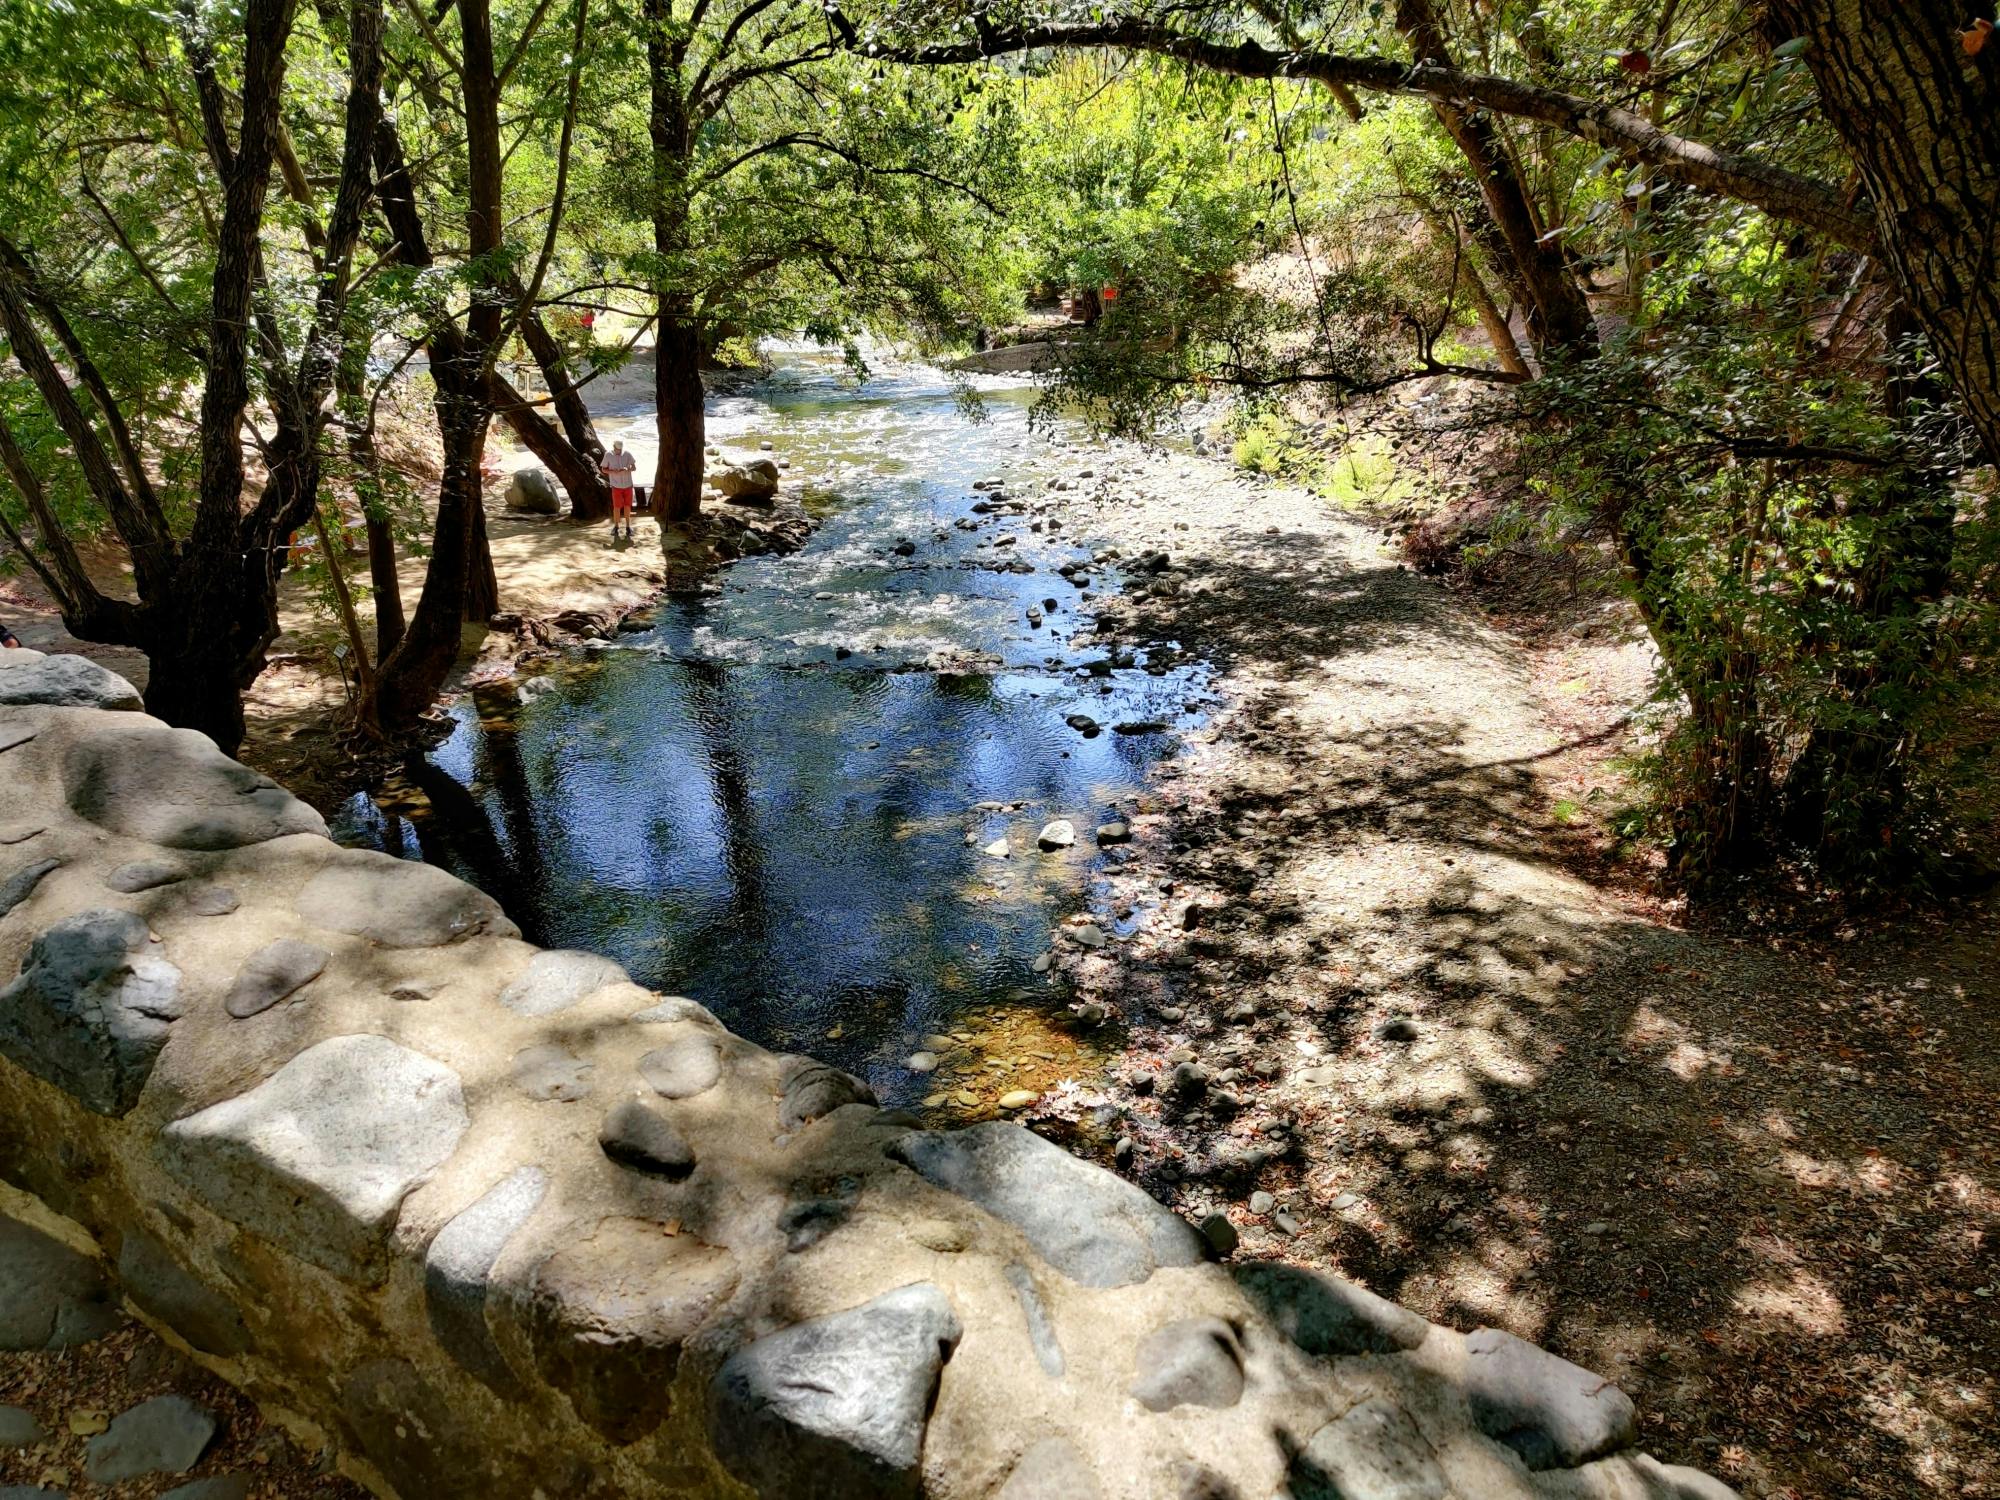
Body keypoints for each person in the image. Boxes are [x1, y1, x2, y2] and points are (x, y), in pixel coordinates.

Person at [600, 439, 638, 541]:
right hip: (616, 486)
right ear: (614, 447)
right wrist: (613, 471)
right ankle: (616, 527)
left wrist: (628, 469)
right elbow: (603, 469)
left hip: (628, 485)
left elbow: (634, 467)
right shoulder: (608, 455)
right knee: (616, 507)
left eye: (620, 450)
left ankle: (628, 527)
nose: (619, 451)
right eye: (617, 449)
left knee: (627, 506)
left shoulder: (627, 454)